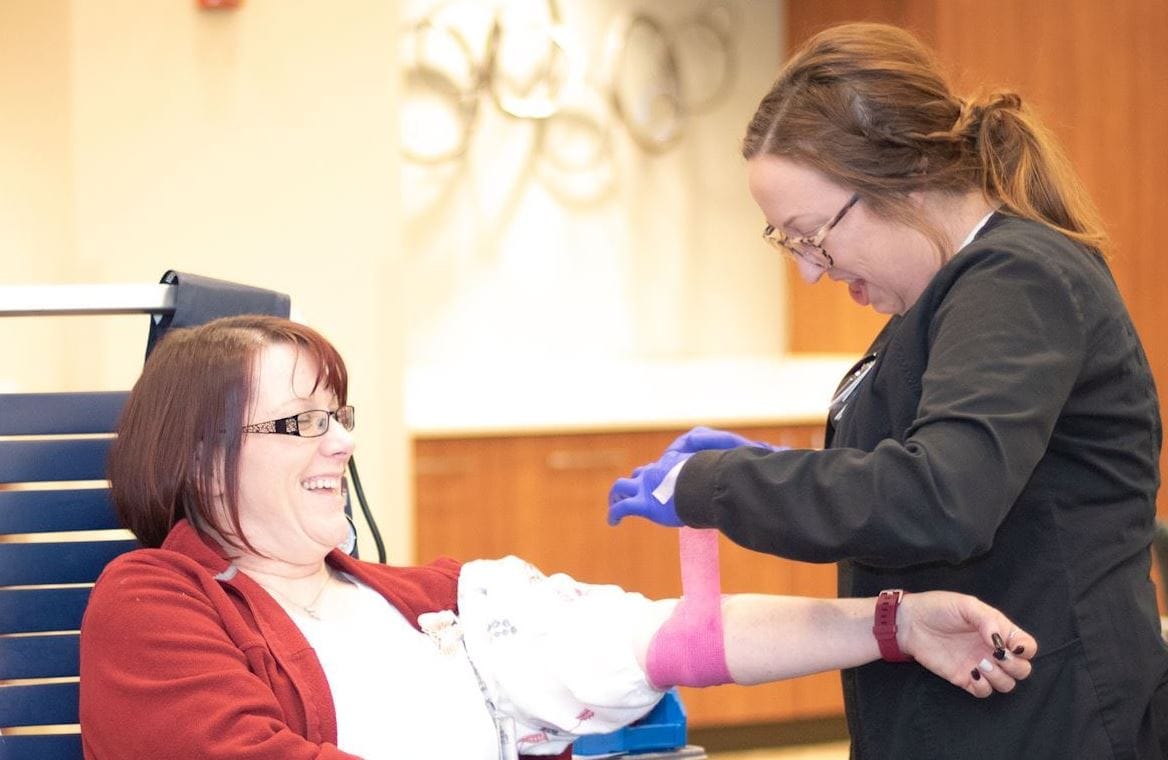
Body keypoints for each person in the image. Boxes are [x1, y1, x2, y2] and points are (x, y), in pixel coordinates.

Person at [78, 315, 1035, 760]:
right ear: (201, 462)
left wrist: (889, 624)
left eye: (343, 414)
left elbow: (671, 637)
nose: (347, 442)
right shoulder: (153, 601)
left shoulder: (415, 600)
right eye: (304, 424)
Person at [608, 21, 1168, 760]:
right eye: (789, 243)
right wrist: (780, 463)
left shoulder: (1016, 279)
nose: (811, 269)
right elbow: (922, 465)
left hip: (1047, 720)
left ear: (899, 179)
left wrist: (723, 483)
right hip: (959, 712)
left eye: (811, 235)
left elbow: (941, 496)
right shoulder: (943, 298)